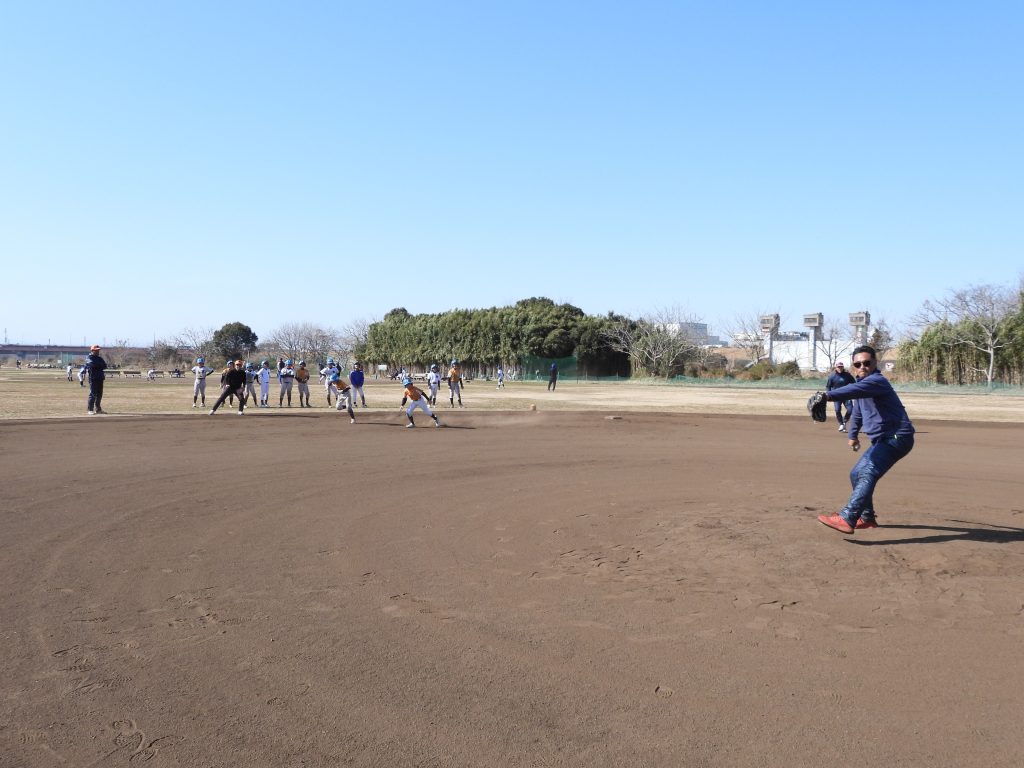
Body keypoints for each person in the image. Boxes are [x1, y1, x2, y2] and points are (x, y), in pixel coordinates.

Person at [817, 345, 916, 534]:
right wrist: (852, 435)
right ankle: (867, 517)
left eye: (866, 363)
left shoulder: (877, 381)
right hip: (885, 439)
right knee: (856, 474)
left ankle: (848, 517)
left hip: (897, 436)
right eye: (857, 364)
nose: (862, 366)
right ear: (853, 367)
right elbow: (857, 413)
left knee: (868, 472)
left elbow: (853, 390)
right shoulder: (862, 387)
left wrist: (827, 396)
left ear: (874, 363)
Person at [825, 361, 856, 432]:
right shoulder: (832, 376)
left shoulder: (847, 375)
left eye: (841, 367)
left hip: (846, 396)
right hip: (836, 396)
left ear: (843, 367)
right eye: (838, 367)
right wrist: (829, 394)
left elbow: (854, 384)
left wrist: (853, 392)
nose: (840, 368)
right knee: (837, 410)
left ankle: (844, 422)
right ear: (836, 367)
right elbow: (828, 386)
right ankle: (841, 424)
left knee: (850, 410)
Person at [84, 344, 107, 415]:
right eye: (96, 350)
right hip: (93, 378)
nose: (98, 351)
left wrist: (97, 365)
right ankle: (90, 409)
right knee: (93, 394)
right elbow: (92, 364)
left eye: (98, 350)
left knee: (99, 394)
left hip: (100, 377)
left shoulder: (99, 358)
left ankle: (98, 409)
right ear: (92, 350)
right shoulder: (89, 357)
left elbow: (105, 366)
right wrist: (99, 365)